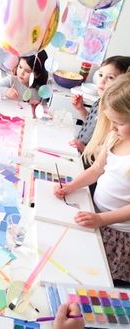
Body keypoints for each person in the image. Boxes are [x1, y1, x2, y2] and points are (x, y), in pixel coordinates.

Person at [54, 73, 130, 286]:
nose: (112, 127)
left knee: (98, 279)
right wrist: (71, 186)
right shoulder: (115, 137)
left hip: (117, 231)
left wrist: (102, 219)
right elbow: (96, 170)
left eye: (118, 122)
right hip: (95, 212)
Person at [70, 56, 130, 153]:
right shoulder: (100, 101)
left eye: (110, 77)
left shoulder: (114, 112)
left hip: (92, 156)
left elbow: (109, 146)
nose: (101, 81)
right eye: (101, 75)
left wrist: (85, 149)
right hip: (81, 149)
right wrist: (80, 108)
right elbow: (93, 123)